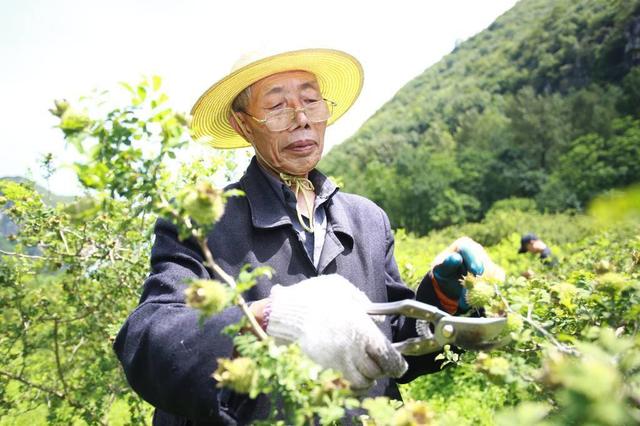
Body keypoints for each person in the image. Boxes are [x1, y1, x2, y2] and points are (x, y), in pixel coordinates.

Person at [113, 48, 500, 425]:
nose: (300, 118)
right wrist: (268, 319)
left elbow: (390, 346)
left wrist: (443, 297)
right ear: (243, 125)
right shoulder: (202, 224)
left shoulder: (367, 219)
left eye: (311, 101)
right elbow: (149, 339)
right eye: (278, 106)